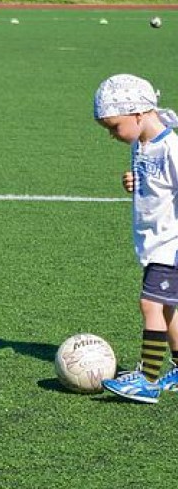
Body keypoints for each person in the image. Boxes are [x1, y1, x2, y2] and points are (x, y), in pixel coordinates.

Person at [94, 73, 178, 403]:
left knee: (151, 304)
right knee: (169, 309)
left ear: (138, 114)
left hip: (170, 244)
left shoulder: (172, 147)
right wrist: (133, 181)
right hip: (155, 242)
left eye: (114, 127)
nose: (112, 135)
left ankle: (148, 379)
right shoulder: (142, 144)